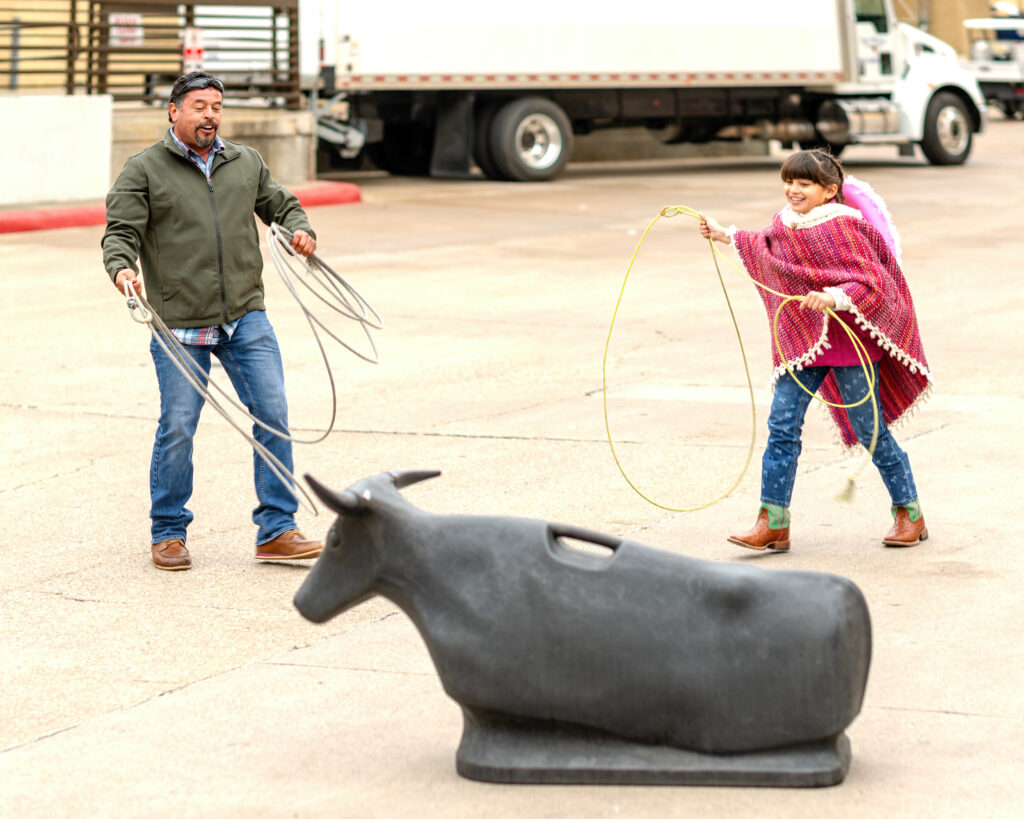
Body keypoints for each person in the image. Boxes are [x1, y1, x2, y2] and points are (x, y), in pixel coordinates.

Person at [102, 70, 323, 571]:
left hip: (245, 316)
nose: (210, 115)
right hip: (179, 323)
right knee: (178, 427)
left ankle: (277, 531)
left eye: (217, 107)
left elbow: (281, 205)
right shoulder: (144, 169)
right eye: (199, 106)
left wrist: (300, 229)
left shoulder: (246, 162)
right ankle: (168, 533)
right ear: (174, 112)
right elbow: (120, 233)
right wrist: (121, 270)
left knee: (274, 415)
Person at [698, 149, 932, 551]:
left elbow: (874, 282)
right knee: (782, 426)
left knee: (869, 430)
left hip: (849, 343)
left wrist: (835, 296)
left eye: (804, 184)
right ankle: (773, 520)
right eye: (788, 181)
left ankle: (909, 511)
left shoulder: (846, 226)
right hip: (803, 341)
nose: (793, 190)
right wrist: (724, 234)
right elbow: (764, 247)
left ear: (829, 191)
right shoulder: (784, 223)